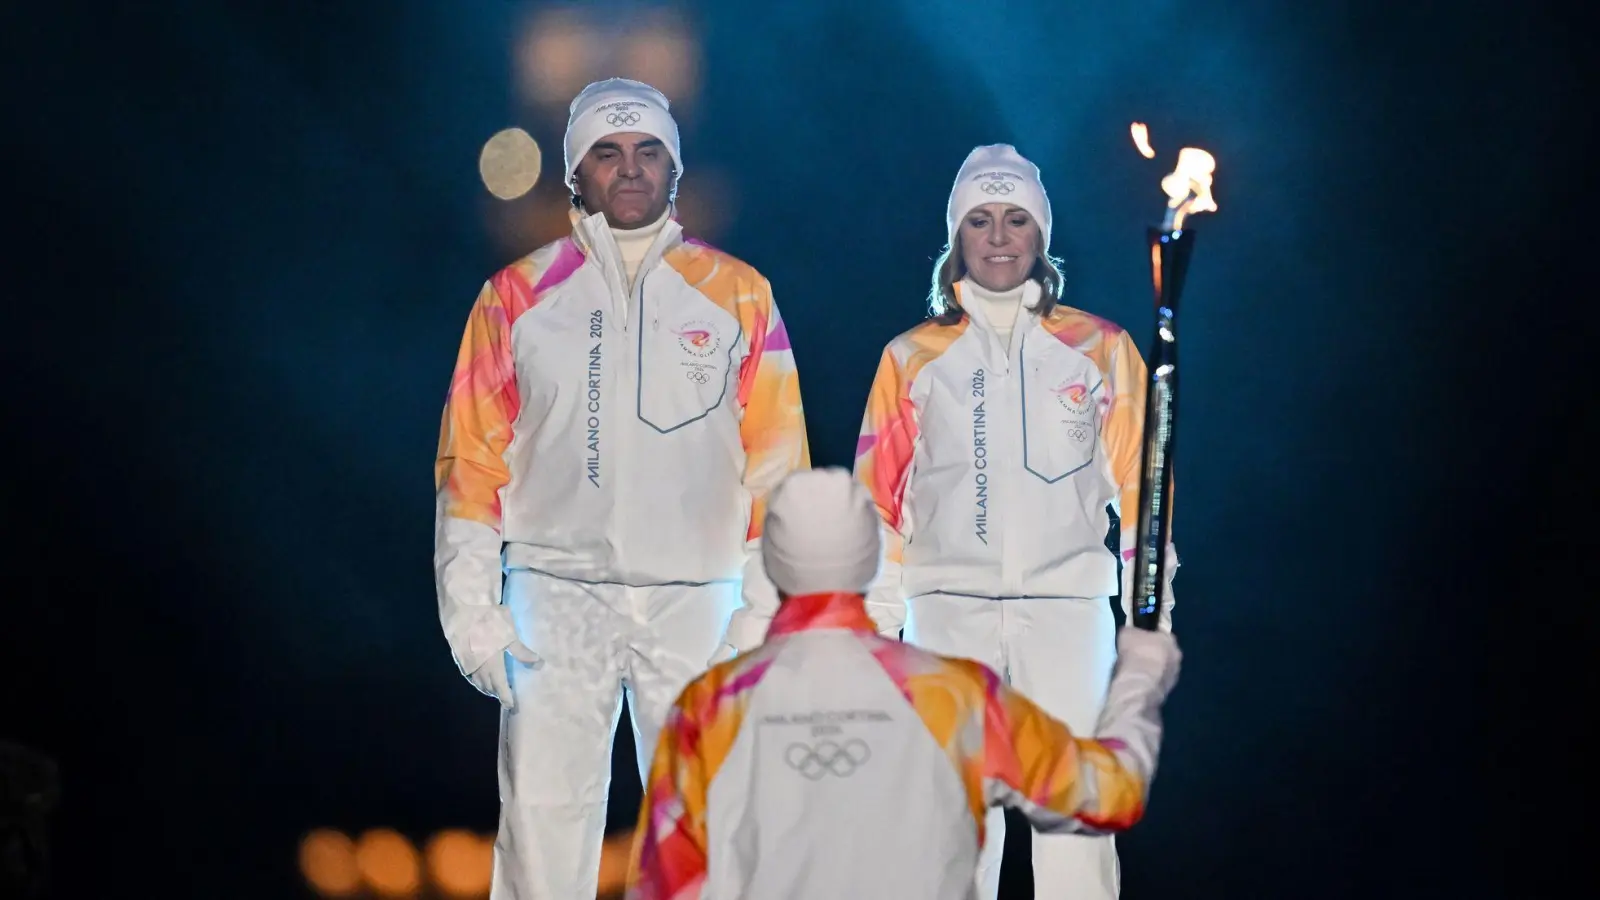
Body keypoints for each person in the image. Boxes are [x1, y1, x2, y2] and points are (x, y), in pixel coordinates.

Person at [432, 77, 810, 900]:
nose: (630, 168)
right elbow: (470, 464)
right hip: (554, 597)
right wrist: (472, 616)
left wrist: (759, 615)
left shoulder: (740, 295)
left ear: (675, 169)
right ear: (576, 174)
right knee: (540, 837)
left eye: (649, 152)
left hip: (698, 600)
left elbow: (777, 469)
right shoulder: (514, 298)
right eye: (608, 152)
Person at [848, 144, 1181, 898]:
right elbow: (879, 507)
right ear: (957, 238)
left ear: (1040, 236)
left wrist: (1149, 620)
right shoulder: (910, 358)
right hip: (946, 621)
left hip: (1068, 619)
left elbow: (1144, 497)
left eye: (1016, 220)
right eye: (980, 220)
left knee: (1075, 830)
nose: (998, 237)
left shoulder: (1102, 349)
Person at [625, 468, 1182, 900]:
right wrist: (1140, 676)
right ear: (872, 559)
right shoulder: (953, 697)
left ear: (771, 561)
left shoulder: (709, 709)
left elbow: (665, 886)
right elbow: (1109, 794)